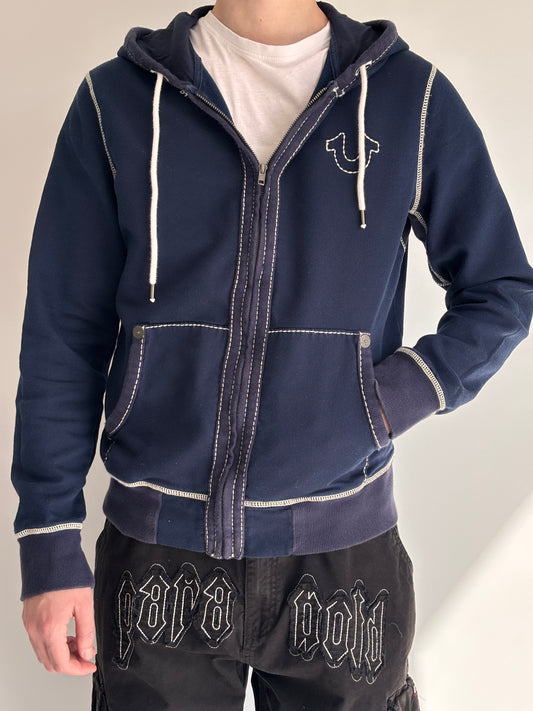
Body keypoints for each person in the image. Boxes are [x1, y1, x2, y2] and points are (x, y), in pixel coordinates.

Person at [11, 1, 533, 709]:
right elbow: (64, 331)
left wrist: (381, 403)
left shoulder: (410, 99)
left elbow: (500, 290)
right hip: (158, 554)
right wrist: (48, 539)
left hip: (341, 559)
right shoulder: (117, 101)